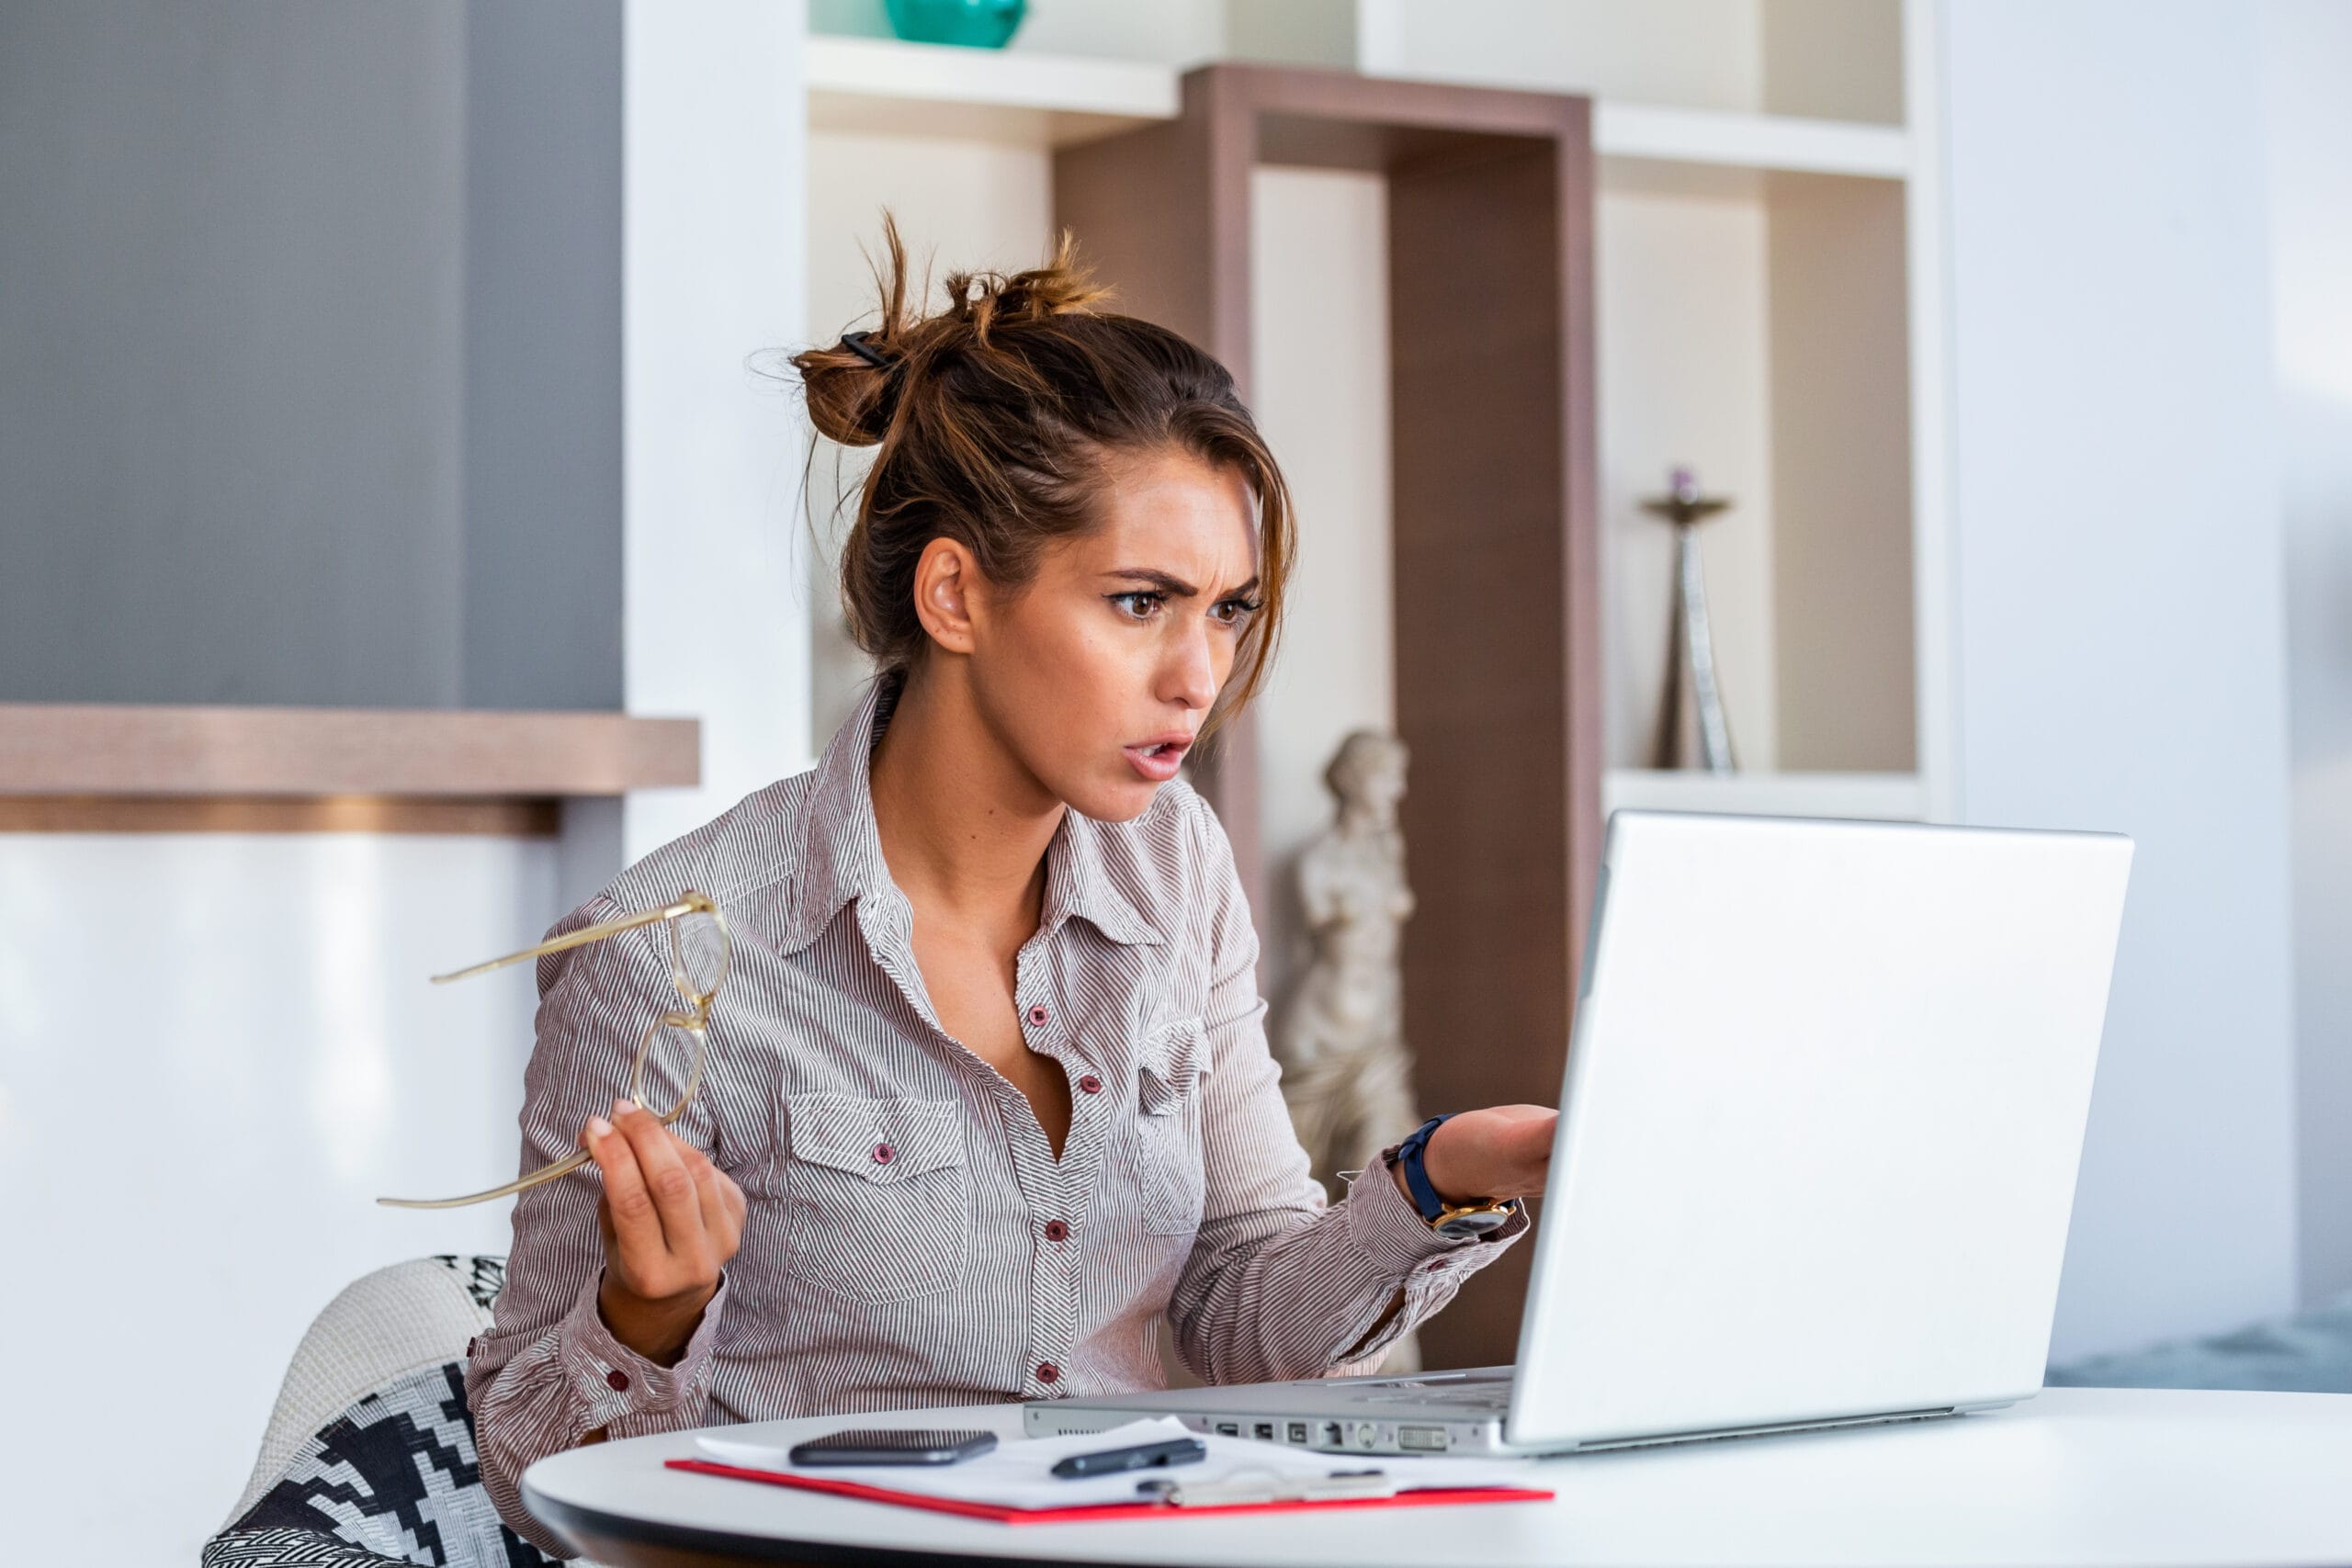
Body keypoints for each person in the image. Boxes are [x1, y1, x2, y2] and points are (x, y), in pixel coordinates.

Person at [466, 222, 1557, 1555]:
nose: (1198, 676)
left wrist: (1447, 1178)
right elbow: (529, 1483)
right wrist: (648, 1318)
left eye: (1226, 610)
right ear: (955, 596)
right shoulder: (668, 959)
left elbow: (1242, 1327)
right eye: (1140, 603)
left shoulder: (1179, 870)